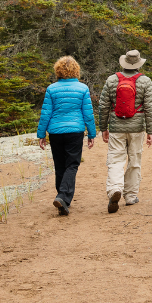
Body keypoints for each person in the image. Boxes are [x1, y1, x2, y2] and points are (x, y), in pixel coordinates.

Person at [36, 56, 97, 216]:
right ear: (76, 70)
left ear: (58, 70)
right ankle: (63, 196)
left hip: (55, 132)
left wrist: (41, 134)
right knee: (72, 164)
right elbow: (88, 113)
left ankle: (62, 199)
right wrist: (91, 133)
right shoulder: (82, 88)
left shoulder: (51, 89)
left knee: (60, 165)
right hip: (75, 131)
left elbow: (46, 113)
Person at [98, 50, 152, 213]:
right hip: (137, 129)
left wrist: (103, 128)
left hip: (116, 127)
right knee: (134, 161)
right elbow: (150, 108)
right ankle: (130, 196)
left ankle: (115, 189)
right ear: (138, 64)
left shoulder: (112, 80)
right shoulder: (145, 81)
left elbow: (103, 106)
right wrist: (150, 131)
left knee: (115, 160)